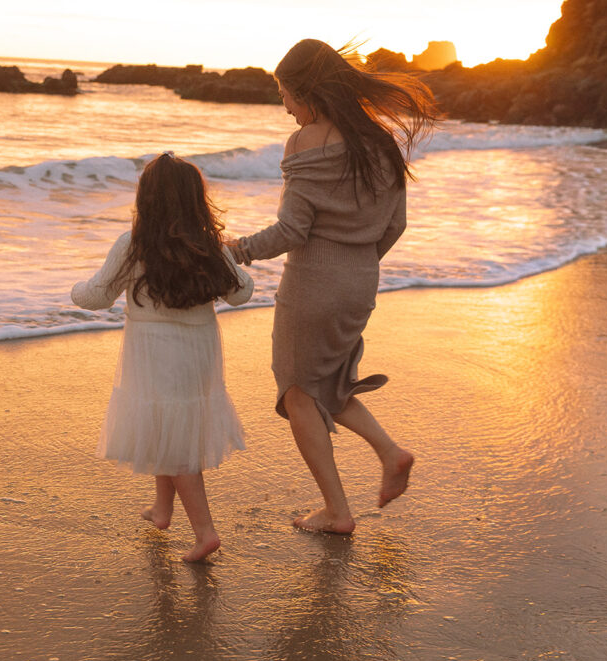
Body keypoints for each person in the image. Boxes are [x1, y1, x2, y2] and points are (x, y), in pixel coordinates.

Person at [229, 39, 438, 534]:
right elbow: (396, 225)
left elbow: (290, 231)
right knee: (331, 383)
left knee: (297, 392)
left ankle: (337, 512)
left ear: (307, 92)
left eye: (285, 94)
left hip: (314, 285)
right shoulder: (380, 142)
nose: (286, 107)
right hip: (361, 282)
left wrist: (234, 250)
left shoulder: (305, 142)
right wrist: (355, 264)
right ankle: (390, 452)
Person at [71, 151, 254, 562]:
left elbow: (98, 296)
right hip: (199, 349)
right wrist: (222, 256)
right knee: (169, 423)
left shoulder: (134, 244)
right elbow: (242, 293)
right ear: (195, 200)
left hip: (155, 349)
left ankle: (205, 533)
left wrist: (73, 290)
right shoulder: (209, 245)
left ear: (146, 199)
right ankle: (162, 508)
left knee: (172, 436)